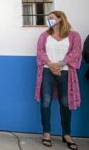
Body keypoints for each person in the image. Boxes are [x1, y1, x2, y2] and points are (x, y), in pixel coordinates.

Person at [35, 11, 81, 150]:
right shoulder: (44, 36)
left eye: (51, 18)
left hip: (66, 71)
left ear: (60, 19)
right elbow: (40, 51)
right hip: (47, 71)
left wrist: (60, 64)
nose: (48, 20)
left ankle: (66, 134)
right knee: (46, 102)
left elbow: (76, 52)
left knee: (65, 103)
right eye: (48, 19)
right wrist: (51, 64)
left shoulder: (74, 35)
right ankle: (46, 133)